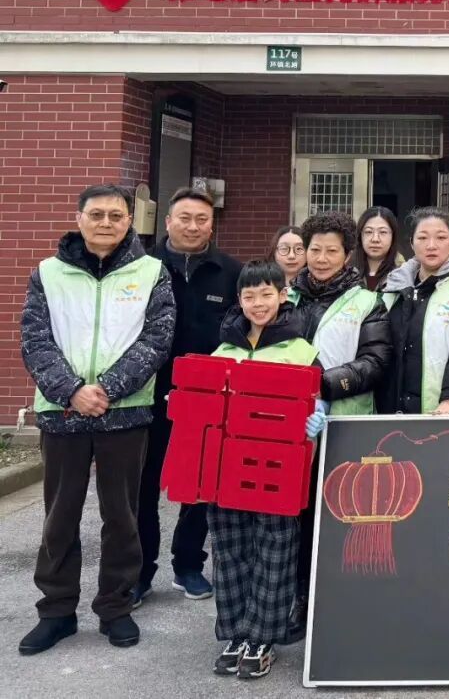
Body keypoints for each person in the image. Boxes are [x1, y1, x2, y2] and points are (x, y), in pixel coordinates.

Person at [19, 184, 176, 655]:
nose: (106, 222)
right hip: (62, 412)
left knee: (122, 516)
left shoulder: (152, 272)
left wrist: (107, 389)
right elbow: (35, 339)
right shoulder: (48, 273)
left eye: (116, 215)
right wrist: (72, 390)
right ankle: (56, 611)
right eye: (97, 214)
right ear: (79, 218)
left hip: (124, 412)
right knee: (59, 517)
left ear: (130, 221)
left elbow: (157, 339)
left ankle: (116, 607)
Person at [207, 261, 325, 680]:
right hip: (226, 469)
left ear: (283, 295)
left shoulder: (301, 349)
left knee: (275, 549)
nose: (258, 303)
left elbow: (316, 395)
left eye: (266, 294)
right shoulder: (224, 350)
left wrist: (317, 418)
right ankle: (235, 632)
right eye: (249, 296)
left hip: (278, 468)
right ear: (239, 300)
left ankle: (262, 637)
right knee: (229, 547)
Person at [287, 211, 391, 643]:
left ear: (348, 255)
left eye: (332, 251)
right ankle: (294, 598)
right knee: (291, 515)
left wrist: (323, 386)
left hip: (343, 425)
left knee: (334, 515)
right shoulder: (285, 298)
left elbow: (375, 361)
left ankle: (331, 601)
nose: (322, 258)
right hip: (288, 425)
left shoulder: (367, 302)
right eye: (315, 249)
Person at [137, 188, 242, 606]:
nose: (193, 226)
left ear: (212, 225)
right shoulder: (142, 268)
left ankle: (188, 564)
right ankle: (140, 570)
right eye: (185, 218)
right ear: (168, 222)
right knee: (143, 484)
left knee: (200, 485)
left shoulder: (230, 272)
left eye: (202, 219)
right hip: (148, 393)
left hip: (207, 399)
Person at [376, 207, 449, 415]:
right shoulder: (393, 286)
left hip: (442, 411)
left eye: (441, 237)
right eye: (422, 237)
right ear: (412, 243)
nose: (431, 245)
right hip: (390, 410)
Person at [356, 206, 400, 292]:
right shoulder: (347, 275)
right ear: (360, 235)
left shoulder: (402, 275)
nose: (375, 239)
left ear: (393, 236)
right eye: (369, 232)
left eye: (383, 232)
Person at [269, 226, 305, 302]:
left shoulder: (317, 288)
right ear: (274, 252)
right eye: (284, 249)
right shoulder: (263, 284)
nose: (291, 256)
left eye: (299, 248)